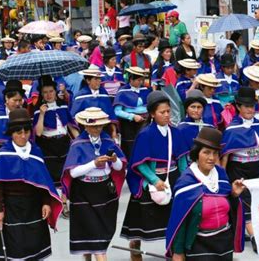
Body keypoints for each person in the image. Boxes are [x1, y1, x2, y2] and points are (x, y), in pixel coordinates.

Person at [0, 108, 62, 261]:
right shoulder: (2, 154)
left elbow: (44, 180)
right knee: (14, 249)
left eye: (26, 131)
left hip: (33, 206)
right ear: (11, 133)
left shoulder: (36, 151)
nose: (23, 136)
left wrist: (46, 202)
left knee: (34, 247)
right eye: (18, 132)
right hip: (11, 208)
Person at [120, 91, 184, 260]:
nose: (166, 115)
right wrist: (154, 180)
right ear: (152, 114)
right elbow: (139, 162)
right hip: (151, 180)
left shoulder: (175, 132)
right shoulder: (145, 134)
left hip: (172, 177)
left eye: (168, 111)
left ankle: (174, 250)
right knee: (141, 220)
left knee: (175, 218)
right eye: (162, 112)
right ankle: (135, 246)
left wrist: (186, 179)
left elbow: (182, 159)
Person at [166, 128, 246, 261]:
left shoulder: (221, 174)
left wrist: (233, 194)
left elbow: (229, 206)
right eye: (206, 152)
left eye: (215, 153)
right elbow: (180, 220)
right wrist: (178, 252)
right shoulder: (186, 181)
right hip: (199, 245)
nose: (211, 158)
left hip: (224, 242)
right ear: (197, 153)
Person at [62, 108, 126, 259]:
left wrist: (114, 160)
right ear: (85, 126)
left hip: (104, 191)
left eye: (100, 126)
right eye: (94, 126)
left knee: (99, 234)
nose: (98, 129)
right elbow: (72, 173)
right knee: (95, 241)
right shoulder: (78, 144)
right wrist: (93, 164)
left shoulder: (109, 142)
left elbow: (118, 168)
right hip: (84, 192)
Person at [220, 87, 259, 252]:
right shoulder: (231, 129)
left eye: (252, 105)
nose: (250, 109)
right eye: (246, 106)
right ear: (238, 106)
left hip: (256, 168)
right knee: (244, 202)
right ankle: (254, 236)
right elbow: (225, 156)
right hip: (238, 169)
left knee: (257, 201)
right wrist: (221, 177)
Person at [33, 76, 78, 189]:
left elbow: (70, 126)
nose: (49, 94)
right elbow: (38, 133)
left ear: (55, 91)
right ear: (41, 94)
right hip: (48, 146)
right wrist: (42, 114)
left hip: (64, 144)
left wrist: (80, 141)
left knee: (66, 175)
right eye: (45, 92)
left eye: (51, 91)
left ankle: (64, 201)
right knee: (52, 178)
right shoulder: (38, 110)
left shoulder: (62, 106)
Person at [113, 67, 151, 159]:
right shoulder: (123, 91)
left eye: (141, 80)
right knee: (131, 146)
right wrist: (132, 116)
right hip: (129, 124)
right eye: (138, 80)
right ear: (131, 79)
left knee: (144, 144)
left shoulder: (145, 90)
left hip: (144, 121)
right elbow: (117, 111)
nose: (140, 82)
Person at [71, 66, 118, 138]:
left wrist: (114, 131)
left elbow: (110, 113)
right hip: (86, 132)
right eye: (96, 79)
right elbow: (74, 118)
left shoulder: (104, 94)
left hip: (104, 132)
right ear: (88, 81)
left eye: (99, 79)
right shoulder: (80, 96)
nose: (99, 81)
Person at [176, 90, 213, 167]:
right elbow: (181, 157)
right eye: (193, 107)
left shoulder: (209, 127)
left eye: (199, 107)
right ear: (187, 109)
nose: (196, 110)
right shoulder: (181, 128)